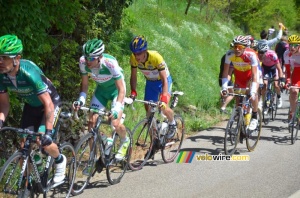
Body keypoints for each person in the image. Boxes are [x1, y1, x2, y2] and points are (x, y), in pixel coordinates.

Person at [0, 35, 66, 184]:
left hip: (50, 104)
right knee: (24, 145)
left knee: (43, 140)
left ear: (17, 58)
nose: (0, 61)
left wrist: (48, 132)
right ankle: (28, 183)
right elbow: (4, 105)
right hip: (31, 105)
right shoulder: (1, 76)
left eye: (4, 57)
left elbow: (48, 104)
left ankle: (60, 160)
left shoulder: (29, 72)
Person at [74, 38, 129, 161]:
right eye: (86, 57)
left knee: (114, 123)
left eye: (91, 58)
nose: (88, 61)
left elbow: (121, 90)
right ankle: (93, 159)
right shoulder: (83, 62)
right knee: (91, 123)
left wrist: (116, 108)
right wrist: (81, 100)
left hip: (116, 91)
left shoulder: (110, 63)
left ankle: (125, 140)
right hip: (101, 91)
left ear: (99, 57)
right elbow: (84, 85)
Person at [129, 35, 176, 140]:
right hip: (150, 83)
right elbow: (133, 77)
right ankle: (154, 140)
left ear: (145, 51)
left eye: (139, 53)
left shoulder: (156, 57)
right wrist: (133, 92)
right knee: (148, 110)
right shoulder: (133, 58)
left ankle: (172, 123)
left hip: (163, 81)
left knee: (163, 107)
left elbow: (164, 80)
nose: (137, 56)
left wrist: (163, 98)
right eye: (134, 53)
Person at [221, 35, 260, 131]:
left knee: (253, 95)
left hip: (251, 76)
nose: (237, 49)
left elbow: (255, 75)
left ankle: (254, 116)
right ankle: (239, 121)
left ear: (245, 47)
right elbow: (225, 73)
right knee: (238, 100)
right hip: (239, 77)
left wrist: (254, 90)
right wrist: (224, 87)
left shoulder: (251, 54)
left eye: (240, 47)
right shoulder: (229, 54)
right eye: (235, 47)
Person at [257, 43, 284, 113]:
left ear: (266, 52)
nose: (260, 54)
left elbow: (279, 69)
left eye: (262, 52)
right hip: (265, 68)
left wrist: (281, 79)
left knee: (276, 85)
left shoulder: (272, 55)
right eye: (259, 52)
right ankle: (264, 102)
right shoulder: (257, 55)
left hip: (274, 68)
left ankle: (279, 97)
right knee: (264, 85)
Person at [283, 35, 300, 121]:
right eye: (291, 45)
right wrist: (287, 80)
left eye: (295, 45)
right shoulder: (286, 54)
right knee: (293, 91)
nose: (292, 47)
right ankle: (293, 113)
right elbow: (288, 69)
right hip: (296, 71)